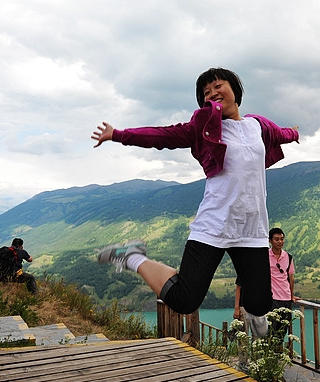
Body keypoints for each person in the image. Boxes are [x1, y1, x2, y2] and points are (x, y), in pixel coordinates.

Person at [92, 67, 299, 318]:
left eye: (218, 86)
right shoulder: (204, 128)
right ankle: (133, 258)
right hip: (214, 224)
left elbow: (281, 134)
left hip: (250, 229)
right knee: (184, 300)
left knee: (259, 304)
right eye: (206, 93)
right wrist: (119, 135)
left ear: (236, 90)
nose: (212, 94)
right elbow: (163, 136)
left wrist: (295, 133)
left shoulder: (258, 126)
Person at [268, 227, 296, 338]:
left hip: (286, 299)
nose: (280, 242)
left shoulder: (288, 257)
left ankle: (278, 354)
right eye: (276, 239)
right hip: (272, 298)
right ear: (270, 241)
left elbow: (291, 277)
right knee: (271, 330)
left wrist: (292, 295)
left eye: (282, 239)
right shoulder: (265, 256)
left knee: (282, 331)